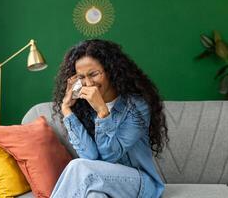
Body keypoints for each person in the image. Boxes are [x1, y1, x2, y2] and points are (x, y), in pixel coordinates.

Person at [51, 39, 169, 198]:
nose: (88, 82)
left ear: (112, 71)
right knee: (94, 195)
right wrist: (67, 110)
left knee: (77, 166)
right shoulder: (85, 109)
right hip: (104, 183)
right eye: (81, 77)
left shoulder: (137, 106)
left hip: (140, 184)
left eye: (93, 74)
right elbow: (91, 158)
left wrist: (102, 112)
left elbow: (108, 157)